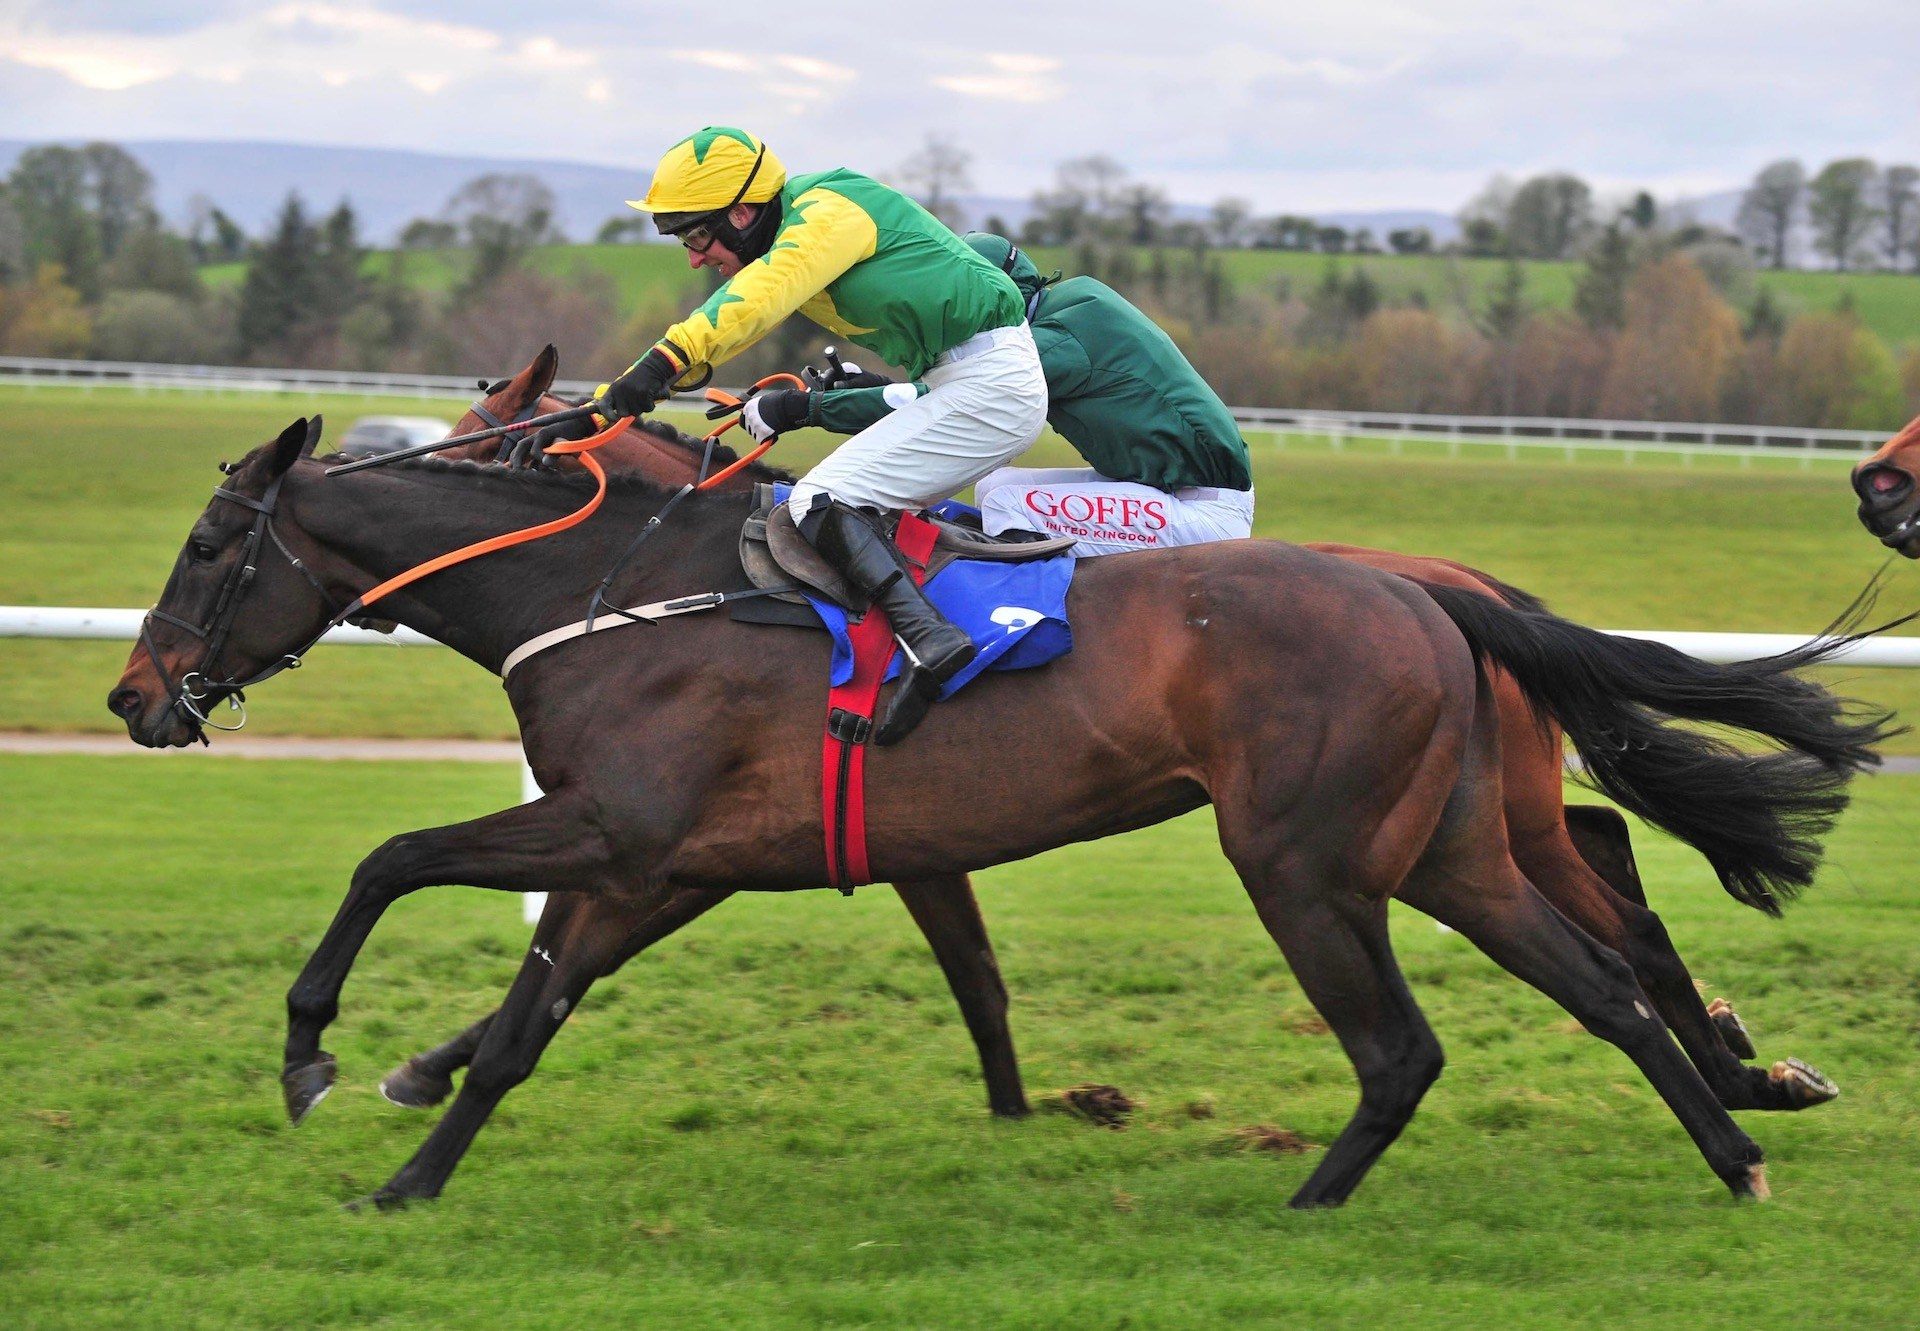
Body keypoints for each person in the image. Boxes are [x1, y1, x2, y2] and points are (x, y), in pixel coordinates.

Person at [565, 128, 1048, 740]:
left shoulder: (825, 211)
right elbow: (752, 305)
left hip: (991, 388)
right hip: (965, 381)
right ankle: (904, 659)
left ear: (743, 213)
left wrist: (659, 364)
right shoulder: (807, 220)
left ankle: (931, 640)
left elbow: (757, 298)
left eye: (696, 235)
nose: (693, 257)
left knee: (819, 501)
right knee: (850, 510)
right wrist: (612, 401)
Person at [745, 234, 1254, 557]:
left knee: (1012, 502)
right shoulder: (1066, 311)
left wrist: (805, 409)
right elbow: (943, 399)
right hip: (1172, 489)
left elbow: (938, 404)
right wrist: (875, 388)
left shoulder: (1059, 340)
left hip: (1201, 511)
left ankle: (1035, 643)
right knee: (994, 488)